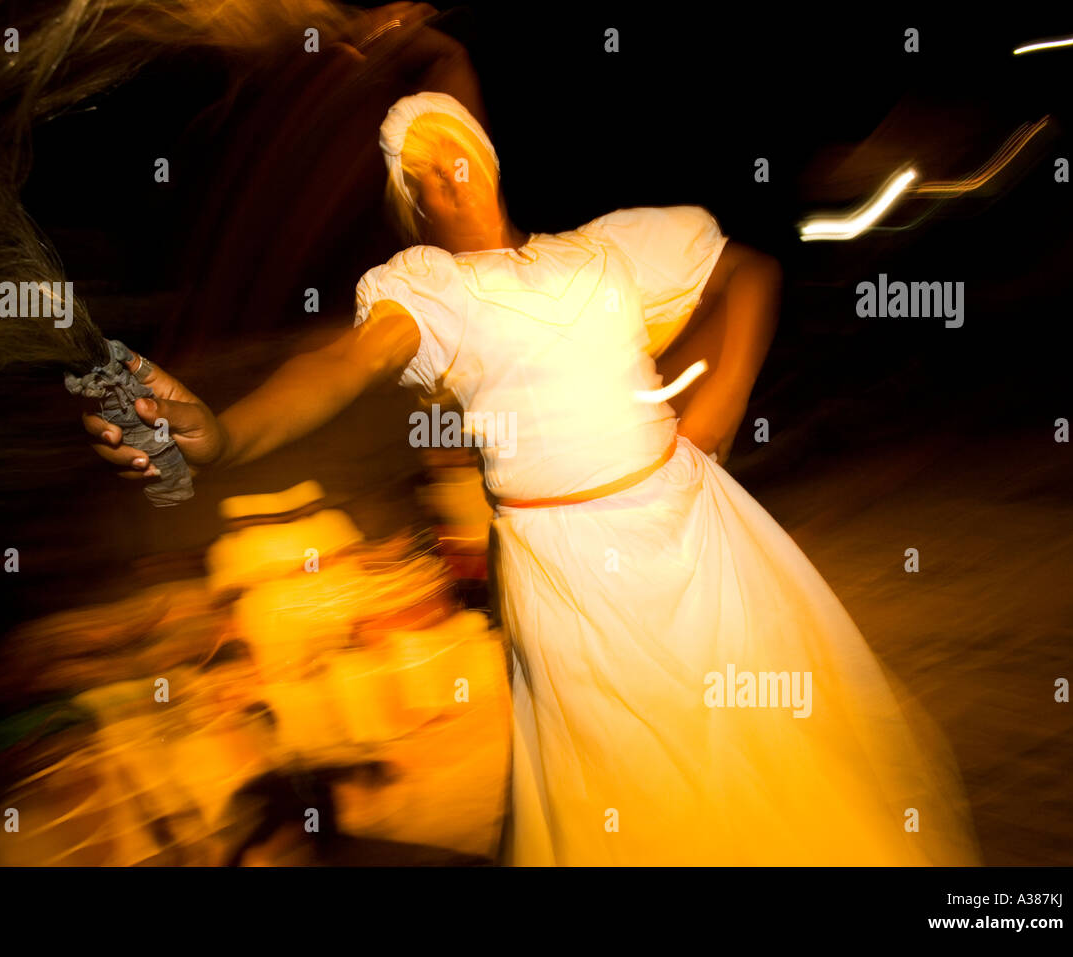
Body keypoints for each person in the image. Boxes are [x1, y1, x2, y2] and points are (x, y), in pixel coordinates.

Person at [83, 91, 980, 865]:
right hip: (571, 573)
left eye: (453, 146)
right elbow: (339, 367)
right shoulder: (431, 293)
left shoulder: (606, 250)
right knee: (635, 772)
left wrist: (717, 409)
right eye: (418, 169)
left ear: (489, 154)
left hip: (694, 530)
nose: (442, 168)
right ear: (413, 205)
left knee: (761, 735)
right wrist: (225, 434)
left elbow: (750, 271)